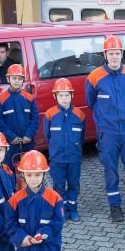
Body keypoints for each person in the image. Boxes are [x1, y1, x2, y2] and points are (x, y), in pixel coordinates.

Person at [85, 35, 125, 222]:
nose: (114, 57)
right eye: (111, 53)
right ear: (105, 54)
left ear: (122, 54)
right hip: (108, 133)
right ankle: (115, 207)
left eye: (117, 53)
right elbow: (90, 102)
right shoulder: (94, 77)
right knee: (111, 170)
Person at [44, 78, 86, 223]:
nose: (64, 98)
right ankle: (61, 211)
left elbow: (82, 137)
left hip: (74, 158)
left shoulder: (80, 115)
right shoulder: (49, 114)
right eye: (61, 95)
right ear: (55, 96)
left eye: (67, 95)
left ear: (72, 96)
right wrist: (55, 150)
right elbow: (47, 136)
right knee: (59, 186)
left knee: (74, 184)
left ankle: (73, 210)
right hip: (57, 159)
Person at [0, 64, 39, 168]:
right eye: (14, 78)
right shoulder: (1, 99)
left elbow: (35, 120)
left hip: (28, 142)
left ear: (23, 80)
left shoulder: (29, 98)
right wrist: (12, 137)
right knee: (9, 170)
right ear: (8, 78)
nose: (17, 81)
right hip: (10, 143)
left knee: (30, 169)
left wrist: (29, 135)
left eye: (20, 78)